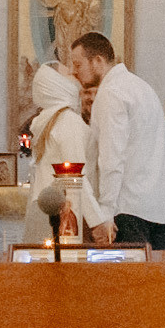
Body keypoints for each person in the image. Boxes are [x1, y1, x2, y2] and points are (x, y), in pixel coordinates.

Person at [67, 32, 165, 250]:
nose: (74, 72)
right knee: (157, 281)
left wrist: (106, 212)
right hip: (160, 207)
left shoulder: (111, 93)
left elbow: (112, 157)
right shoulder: (141, 87)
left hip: (129, 210)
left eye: (77, 64)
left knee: (129, 282)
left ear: (98, 61)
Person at [24, 61, 104, 246]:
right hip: (66, 215)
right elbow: (76, 176)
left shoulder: (50, 118)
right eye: (69, 73)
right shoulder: (67, 120)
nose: (75, 74)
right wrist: (97, 221)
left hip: (46, 210)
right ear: (56, 82)